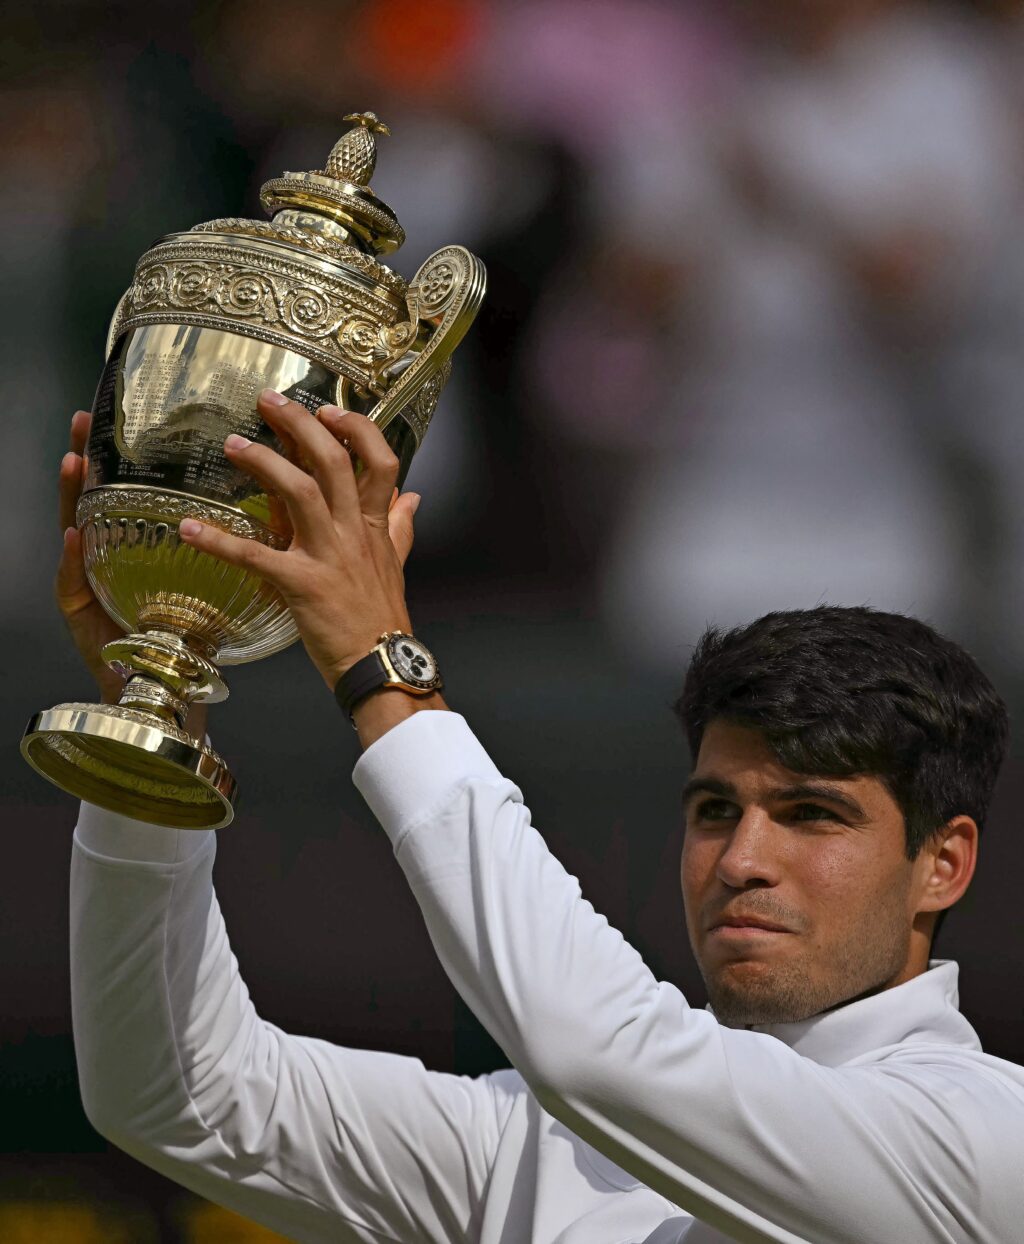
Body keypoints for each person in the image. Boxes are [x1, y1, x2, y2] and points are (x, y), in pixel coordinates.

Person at [63, 390, 1024, 1243]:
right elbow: (176, 1094)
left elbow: (597, 1052)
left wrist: (383, 669)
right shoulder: (544, 1135)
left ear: (943, 863)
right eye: (714, 809)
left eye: (813, 814)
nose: (742, 859)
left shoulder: (983, 1138)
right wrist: (151, 722)